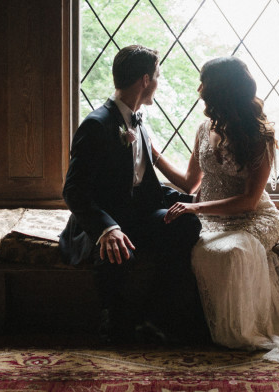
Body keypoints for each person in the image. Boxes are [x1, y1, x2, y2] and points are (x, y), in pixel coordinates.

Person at [153, 56, 279, 361]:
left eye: (204, 81)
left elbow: (249, 200)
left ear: (221, 90)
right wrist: (154, 155)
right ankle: (201, 327)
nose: (198, 87)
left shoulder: (259, 134)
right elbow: (189, 183)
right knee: (196, 249)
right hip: (212, 220)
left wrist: (195, 209)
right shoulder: (204, 129)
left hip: (254, 219)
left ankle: (240, 333)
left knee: (232, 253)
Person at [59, 44, 202, 344]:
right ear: (146, 80)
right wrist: (106, 228)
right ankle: (115, 326)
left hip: (140, 214)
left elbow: (140, 181)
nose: (158, 84)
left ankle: (155, 315)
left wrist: (188, 204)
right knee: (117, 248)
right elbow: (73, 190)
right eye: (158, 77)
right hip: (108, 219)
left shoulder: (139, 122)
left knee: (188, 224)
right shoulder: (96, 125)